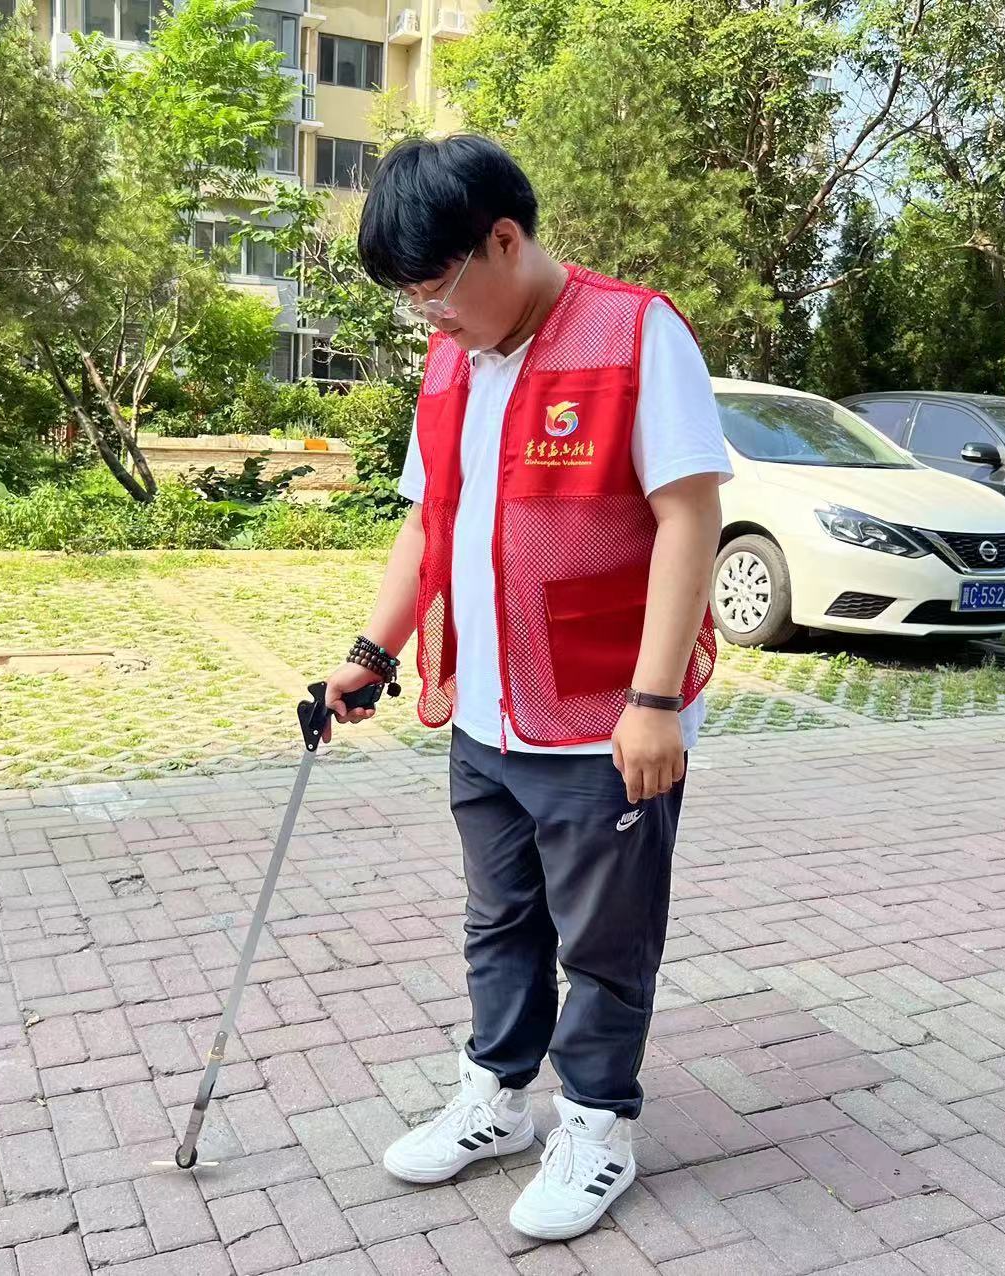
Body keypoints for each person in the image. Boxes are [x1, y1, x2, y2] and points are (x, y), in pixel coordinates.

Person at [322, 134, 730, 1242]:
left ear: (503, 240)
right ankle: (497, 1098)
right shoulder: (453, 360)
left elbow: (691, 518)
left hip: (606, 719)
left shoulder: (636, 333)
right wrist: (372, 651)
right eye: (411, 299)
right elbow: (429, 521)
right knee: (497, 919)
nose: (425, 315)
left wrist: (654, 703)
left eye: (433, 288)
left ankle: (596, 1126)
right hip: (487, 710)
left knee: (603, 939)